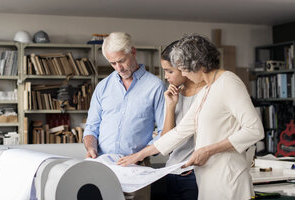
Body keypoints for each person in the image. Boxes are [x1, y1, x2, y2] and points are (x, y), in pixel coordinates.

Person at [117, 34, 264, 200]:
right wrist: (139, 155)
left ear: (199, 65)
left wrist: (208, 150)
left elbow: (254, 130)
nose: (184, 75)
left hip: (229, 178)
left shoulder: (229, 82)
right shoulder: (208, 89)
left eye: (185, 69)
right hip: (207, 180)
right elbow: (180, 131)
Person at [83, 32, 165, 200]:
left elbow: (165, 133)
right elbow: (91, 127)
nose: (118, 68)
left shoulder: (155, 86)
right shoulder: (102, 87)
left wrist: (138, 156)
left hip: (136, 168)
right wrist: (90, 147)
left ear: (133, 52)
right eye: (113, 63)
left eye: (121, 61)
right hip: (103, 166)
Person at [158, 41, 205, 200]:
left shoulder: (205, 93)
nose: (166, 76)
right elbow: (167, 142)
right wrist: (170, 107)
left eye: (169, 71)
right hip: (172, 172)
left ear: (183, 67)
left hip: (194, 175)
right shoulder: (174, 94)